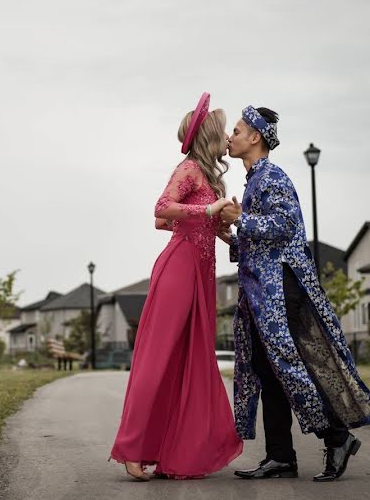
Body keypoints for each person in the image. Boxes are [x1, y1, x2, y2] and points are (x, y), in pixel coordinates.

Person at [220, 106, 370, 482]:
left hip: (281, 288)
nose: (231, 136)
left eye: (237, 130)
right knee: (267, 369)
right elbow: (257, 239)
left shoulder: (272, 175)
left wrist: (241, 219)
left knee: (293, 367)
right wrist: (231, 231)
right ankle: (280, 457)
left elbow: (285, 224)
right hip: (262, 291)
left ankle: (337, 437)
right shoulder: (254, 179)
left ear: (255, 137)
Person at [110, 93, 244, 481]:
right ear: (207, 136)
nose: (224, 136)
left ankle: (173, 450)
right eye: (220, 130)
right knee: (158, 358)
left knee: (190, 361)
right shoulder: (187, 169)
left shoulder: (208, 177)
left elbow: (198, 224)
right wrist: (203, 212)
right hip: (178, 270)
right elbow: (160, 210)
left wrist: (226, 223)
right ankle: (132, 450)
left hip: (201, 275)